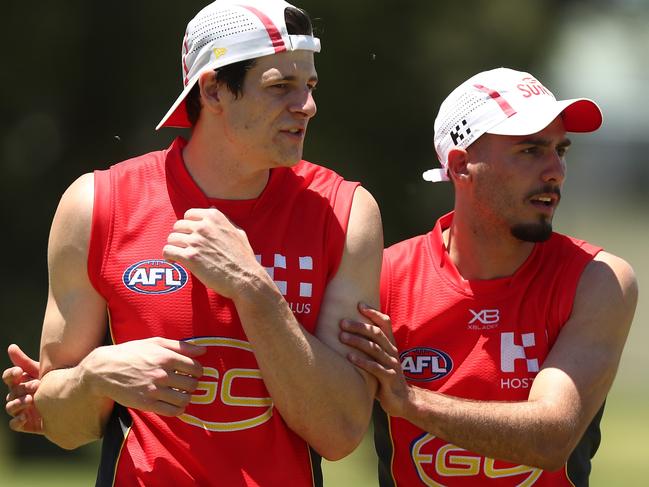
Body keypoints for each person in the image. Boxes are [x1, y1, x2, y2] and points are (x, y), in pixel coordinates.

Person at [2, 1, 382, 485]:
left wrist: (254, 290)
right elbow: (61, 426)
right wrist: (93, 376)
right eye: (279, 87)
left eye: (308, 86)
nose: (306, 106)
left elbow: (341, 432)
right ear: (213, 89)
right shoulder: (96, 203)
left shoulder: (346, 212)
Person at [339, 68, 638, 486]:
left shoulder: (598, 279)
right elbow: (326, 423)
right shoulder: (383, 278)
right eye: (532, 151)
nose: (556, 170)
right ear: (462, 166)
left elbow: (551, 440)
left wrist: (409, 402)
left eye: (560, 150)